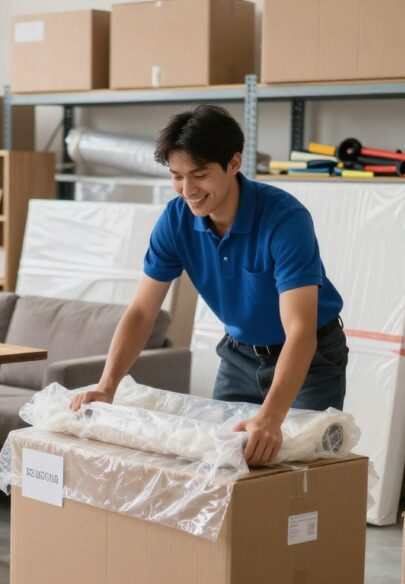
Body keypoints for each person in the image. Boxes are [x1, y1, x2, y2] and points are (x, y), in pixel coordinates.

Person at [69, 105, 349, 466]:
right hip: (239, 356)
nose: (188, 190)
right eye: (176, 176)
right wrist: (108, 385)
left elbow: (300, 330)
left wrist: (272, 416)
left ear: (234, 163)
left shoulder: (285, 220)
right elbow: (142, 312)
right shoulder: (176, 220)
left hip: (310, 358)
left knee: (302, 472)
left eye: (199, 175)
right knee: (219, 466)